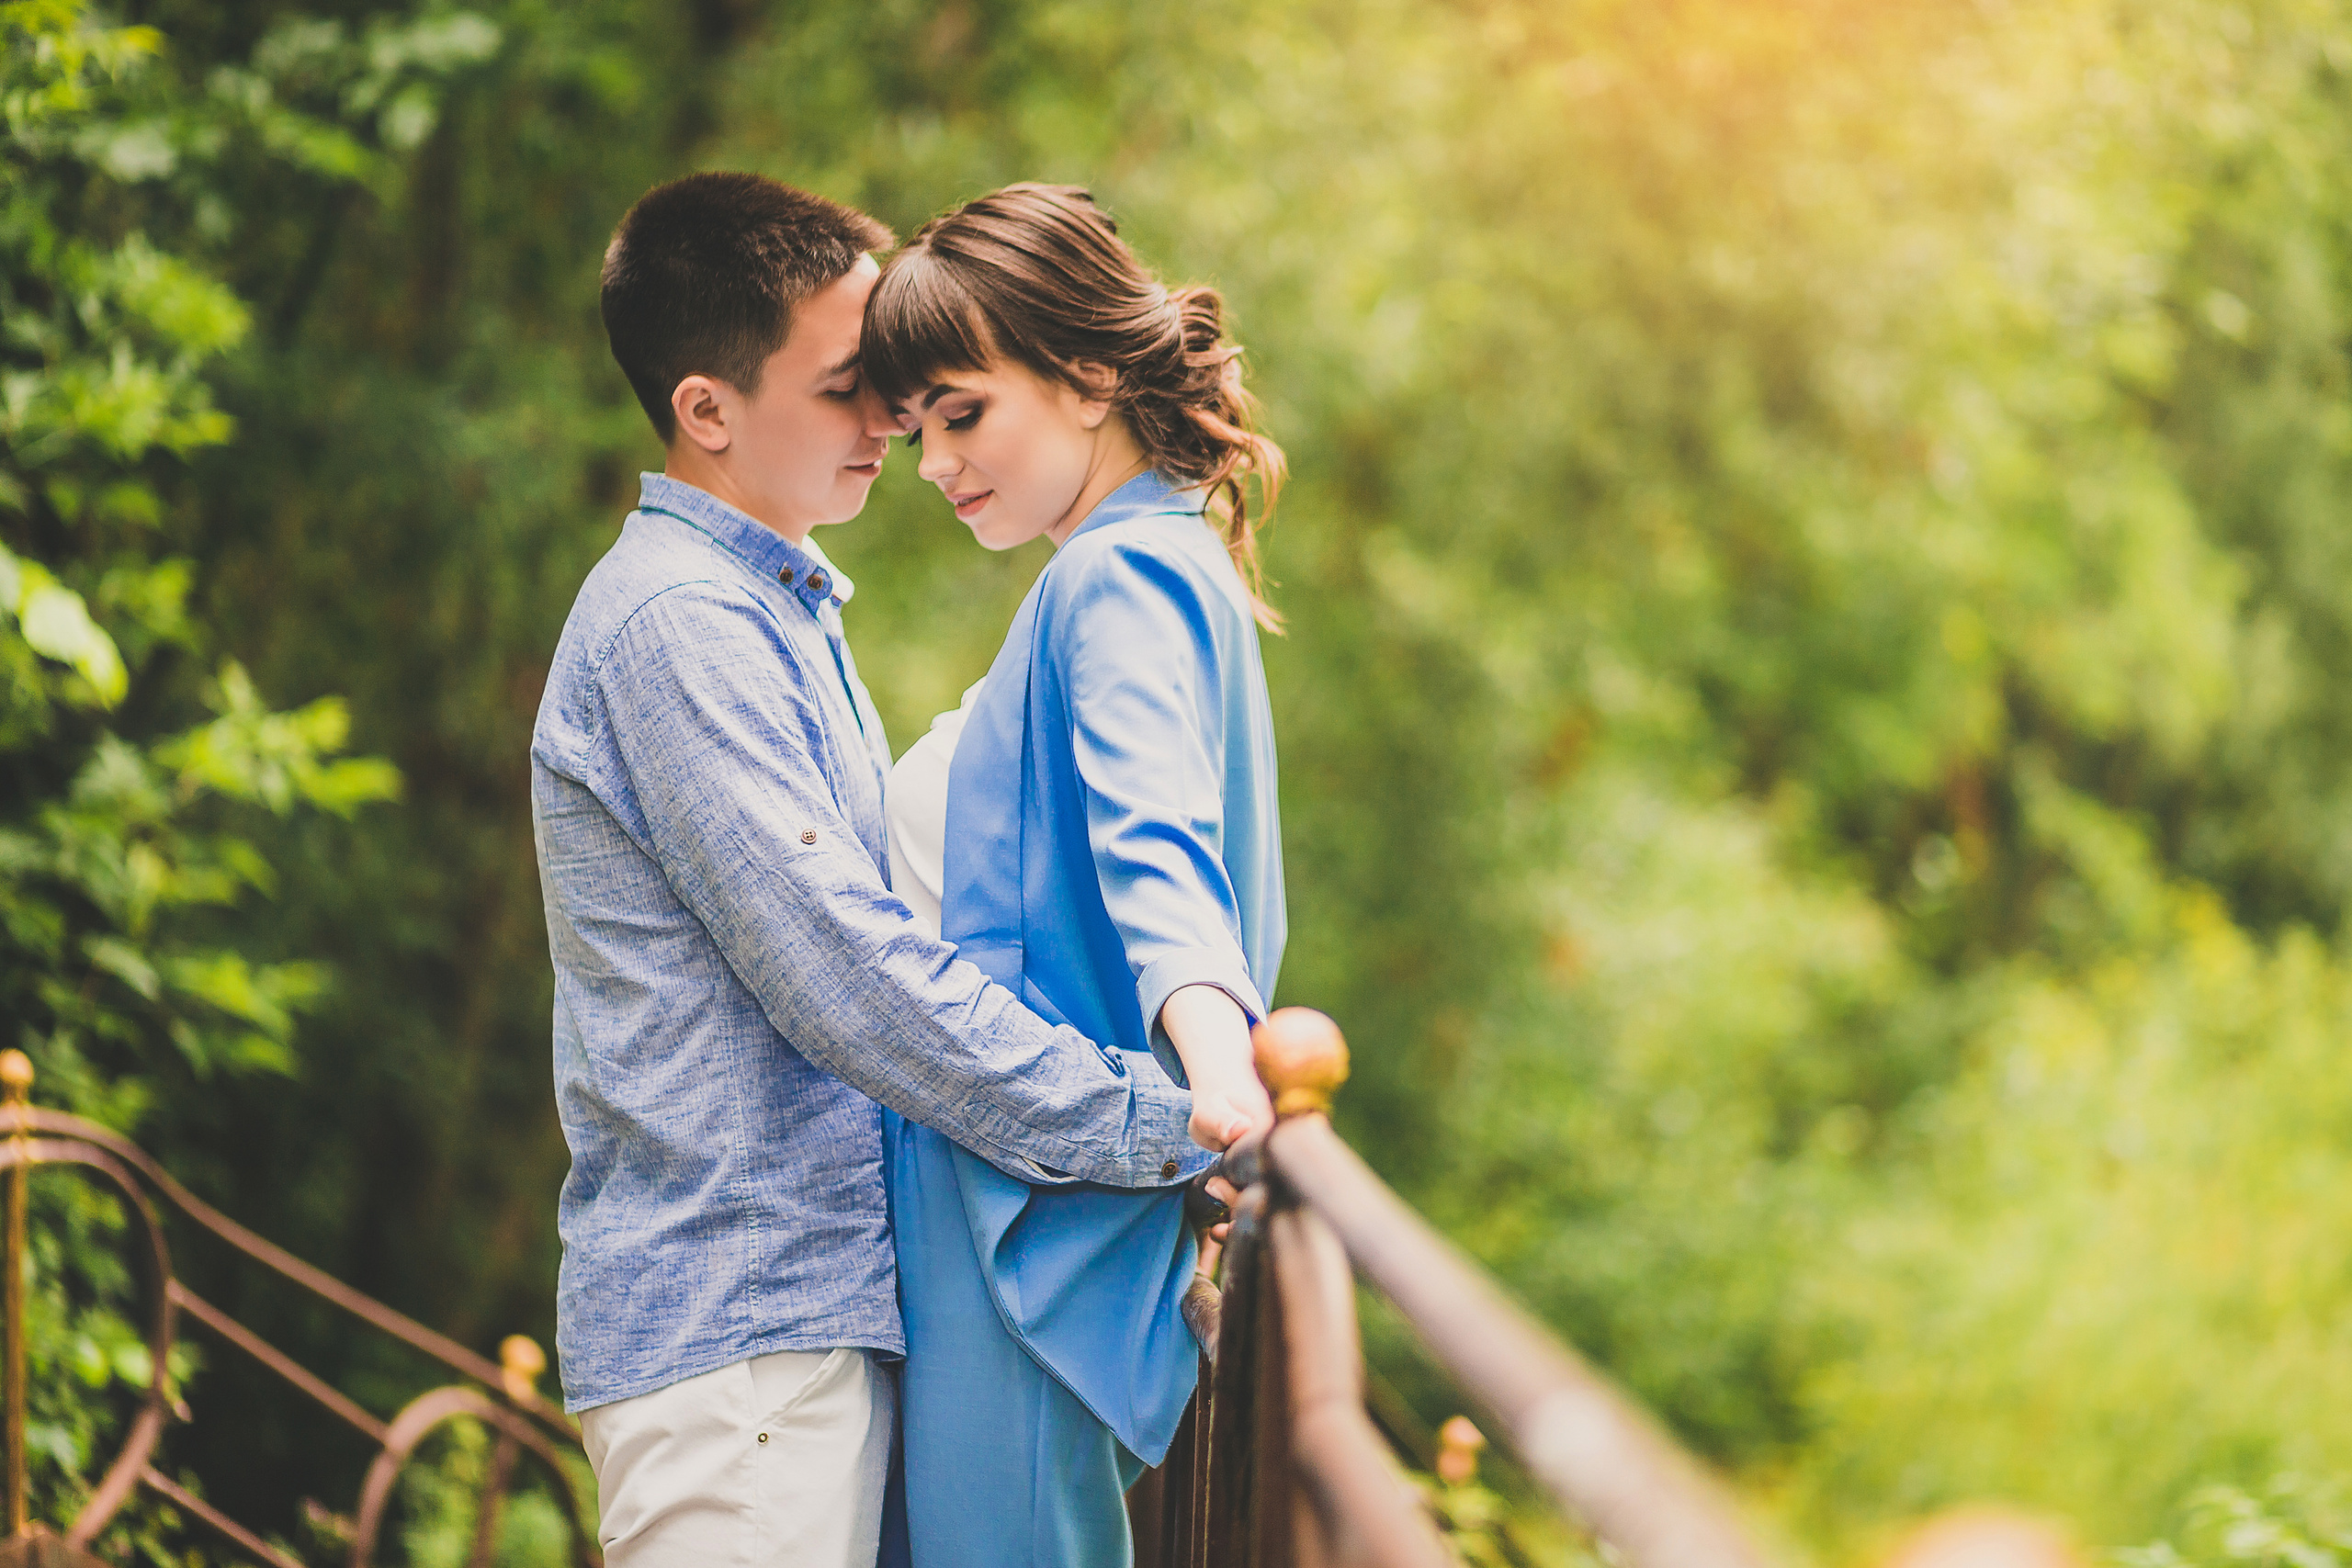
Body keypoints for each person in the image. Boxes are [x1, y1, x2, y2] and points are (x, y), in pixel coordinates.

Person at [531, 172, 1212, 1568]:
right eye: (852, 386)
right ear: (707, 412)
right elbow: (848, 974)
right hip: (740, 1353)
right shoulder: (679, 628)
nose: (895, 421)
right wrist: (1150, 1127)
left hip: (804, 1333)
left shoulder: (775, 611)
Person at [865, 183, 1289, 1568]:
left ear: (1091, 373)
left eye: (963, 412)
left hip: (1024, 1226)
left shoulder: (1115, 580)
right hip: (1040, 1199)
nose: (935, 464)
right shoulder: (1158, 558)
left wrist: (1218, 1071)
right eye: (919, 427)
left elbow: (1156, 841)